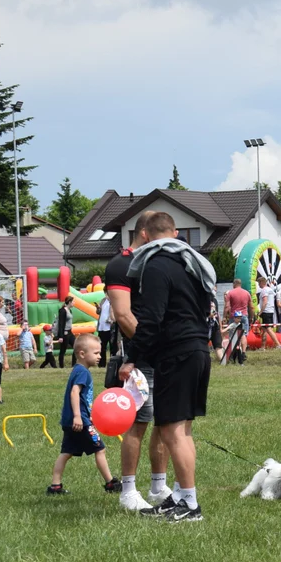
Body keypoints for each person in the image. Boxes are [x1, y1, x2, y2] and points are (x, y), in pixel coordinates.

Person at [122, 211, 216, 522]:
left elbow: (151, 319)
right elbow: (206, 307)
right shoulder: (192, 264)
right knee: (182, 430)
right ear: (176, 234)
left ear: (145, 236)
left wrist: (131, 356)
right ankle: (179, 496)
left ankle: (190, 504)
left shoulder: (155, 266)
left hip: (177, 353)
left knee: (174, 431)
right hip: (197, 349)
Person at [105, 214, 173, 512]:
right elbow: (123, 315)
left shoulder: (157, 264)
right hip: (141, 358)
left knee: (166, 420)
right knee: (138, 422)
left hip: (166, 355)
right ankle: (128, 491)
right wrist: (150, 347)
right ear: (146, 234)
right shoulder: (121, 265)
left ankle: (159, 486)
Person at [47, 333, 122, 495]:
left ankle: (55, 486)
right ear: (82, 354)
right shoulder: (83, 372)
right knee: (100, 449)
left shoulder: (78, 370)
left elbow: (80, 398)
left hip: (72, 420)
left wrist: (87, 414)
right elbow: (75, 393)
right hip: (79, 421)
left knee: (66, 453)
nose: (99, 356)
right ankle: (110, 483)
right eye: (96, 353)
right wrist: (78, 416)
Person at [223, 278, 254, 359]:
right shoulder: (247, 293)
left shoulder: (230, 293)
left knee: (232, 335)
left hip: (234, 316)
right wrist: (251, 317)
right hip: (244, 316)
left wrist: (224, 317)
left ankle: (233, 353)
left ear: (234, 284)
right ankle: (243, 353)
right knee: (243, 335)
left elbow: (227, 306)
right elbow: (251, 307)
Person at [256, 276, 281, 350]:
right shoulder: (270, 289)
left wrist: (260, 312)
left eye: (259, 283)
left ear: (261, 282)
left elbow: (265, 301)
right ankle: (263, 346)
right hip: (270, 311)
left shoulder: (264, 290)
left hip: (266, 312)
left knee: (268, 329)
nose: (258, 285)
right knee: (264, 330)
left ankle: (278, 345)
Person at [56, 296, 76, 367]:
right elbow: (61, 324)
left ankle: (74, 364)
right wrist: (61, 336)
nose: (74, 303)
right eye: (73, 301)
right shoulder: (62, 311)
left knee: (76, 346)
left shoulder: (70, 310)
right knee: (63, 350)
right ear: (70, 302)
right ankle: (61, 366)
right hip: (65, 333)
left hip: (70, 332)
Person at [96, 296, 112, 367]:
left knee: (112, 347)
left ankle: (112, 363)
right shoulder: (103, 300)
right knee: (102, 347)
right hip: (101, 327)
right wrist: (98, 308)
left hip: (109, 327)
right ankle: (102, 364)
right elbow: (98, 312)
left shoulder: (112, 301)